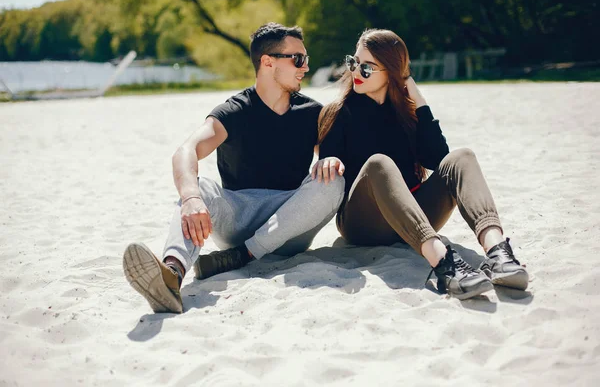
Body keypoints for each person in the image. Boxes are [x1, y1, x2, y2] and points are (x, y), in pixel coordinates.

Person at [123, 23, 345, 313]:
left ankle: (244, 255)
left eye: (306, 60)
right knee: (199, 187)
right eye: (298, 59)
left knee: (333, 179)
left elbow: (340, 152)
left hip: (289, 226)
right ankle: (171, 275)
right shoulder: (235, 110)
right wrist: (190, 198)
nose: (305, 67)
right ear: (268, 62)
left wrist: (332, 156)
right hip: (237, 219)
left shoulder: (312, 113)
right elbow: (186, 151)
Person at [313, 29, 528, 300]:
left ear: (391, 72)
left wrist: (421, 105)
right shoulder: (338, 113)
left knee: (463, 157)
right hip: (363, 223)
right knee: (379, 163)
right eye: (353, 62)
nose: (356, 71)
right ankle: (444, 264)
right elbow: (328, 167)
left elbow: (439, 160)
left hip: (415, 217)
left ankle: (499, 253)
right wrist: (329, 159)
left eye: (366, 67)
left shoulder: (406, 113)